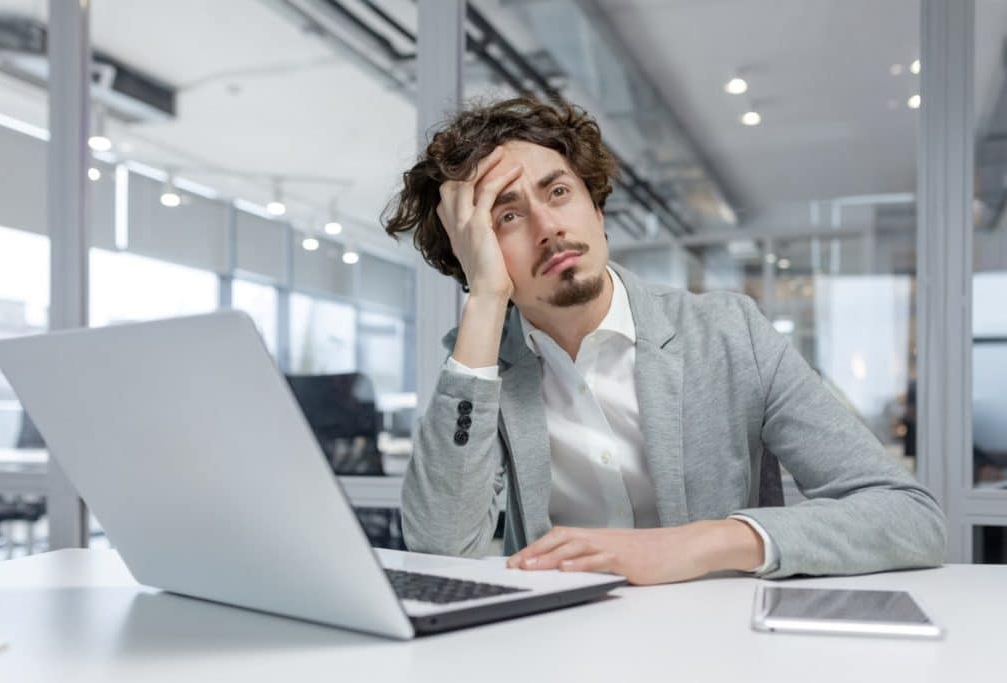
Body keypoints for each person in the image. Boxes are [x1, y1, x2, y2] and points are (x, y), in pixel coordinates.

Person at [383, 96, 946, 584]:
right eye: (506, 217)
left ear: (597, 210)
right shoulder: (482, 366)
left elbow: (908, 516)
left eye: (557, 192)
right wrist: (484, 300)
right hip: (556, 646)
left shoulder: (730, 333)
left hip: (720, 643)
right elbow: (440, 549)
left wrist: (701, 542)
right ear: (473, 255)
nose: (547, 226)